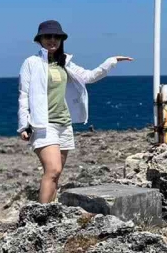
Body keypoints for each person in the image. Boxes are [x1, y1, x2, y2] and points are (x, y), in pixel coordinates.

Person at [18, 20, 133, 203]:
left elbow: (89, 76)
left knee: (56, 175)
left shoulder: (66, 63)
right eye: (48, 36)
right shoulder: (31, 63)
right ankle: (40, 217)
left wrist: (111, 62)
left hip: (64, 124)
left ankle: (50, 215)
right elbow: (24, 95)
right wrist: (23, 125)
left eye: (57, 36)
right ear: (40, 39)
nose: (53, 40)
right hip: (43, 125)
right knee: (53, 170)